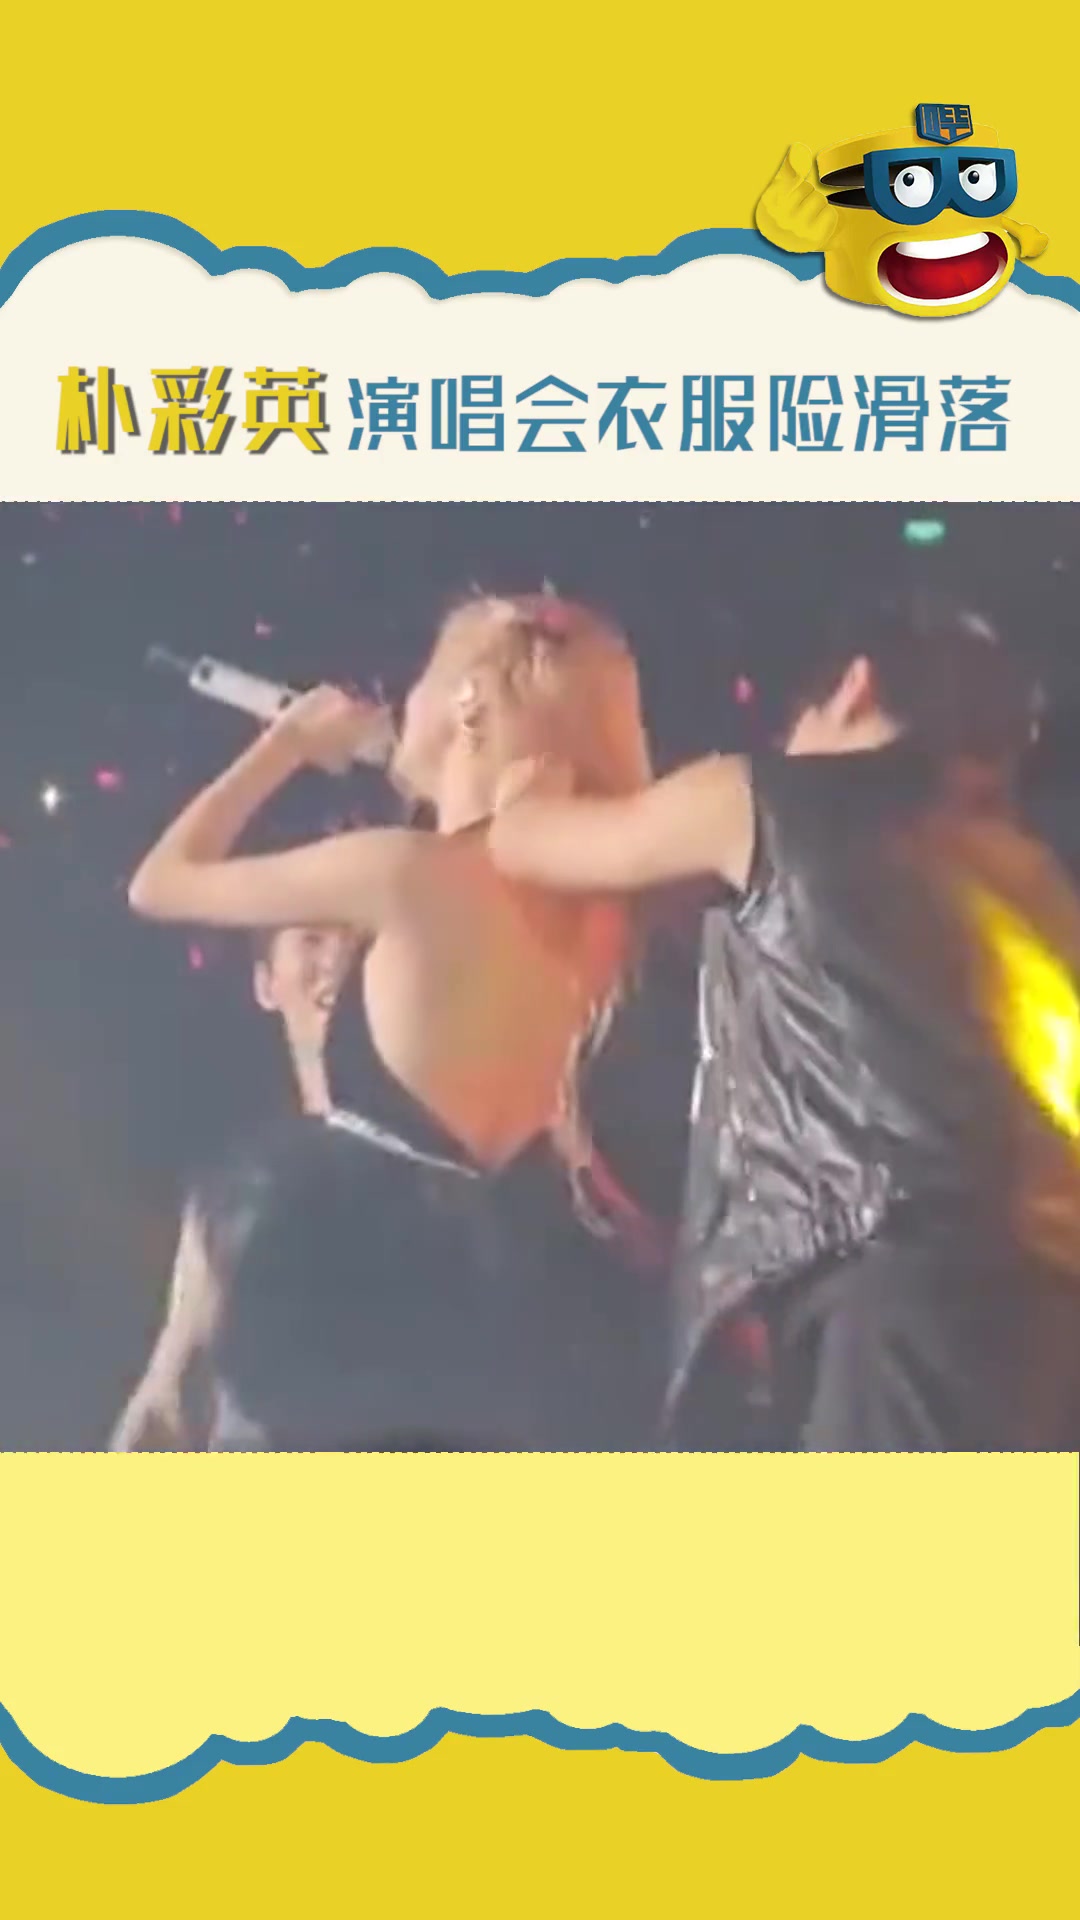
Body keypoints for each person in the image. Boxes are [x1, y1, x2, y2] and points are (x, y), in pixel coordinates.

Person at [489, 596, 1080, 1451]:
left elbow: (541, 846)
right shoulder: (1031, 877)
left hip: (898, 1277)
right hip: (1048, 1291)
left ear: (855, 687)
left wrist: (525, 796)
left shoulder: (770, 797)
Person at [127, 594, 662, 1450]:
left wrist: (286, 745)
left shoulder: (402, 873)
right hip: (497, 1331)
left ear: (469, 704)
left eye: (425, 679)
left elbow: (162, 882)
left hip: (335, 1305)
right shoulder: (602, 919)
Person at [110, 922, 357, 1449]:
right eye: (311, 937)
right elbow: (168, 1394)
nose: (337, 957)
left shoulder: (457, 1170)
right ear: (266, 982)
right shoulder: (235, 1189)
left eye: (356, 938)